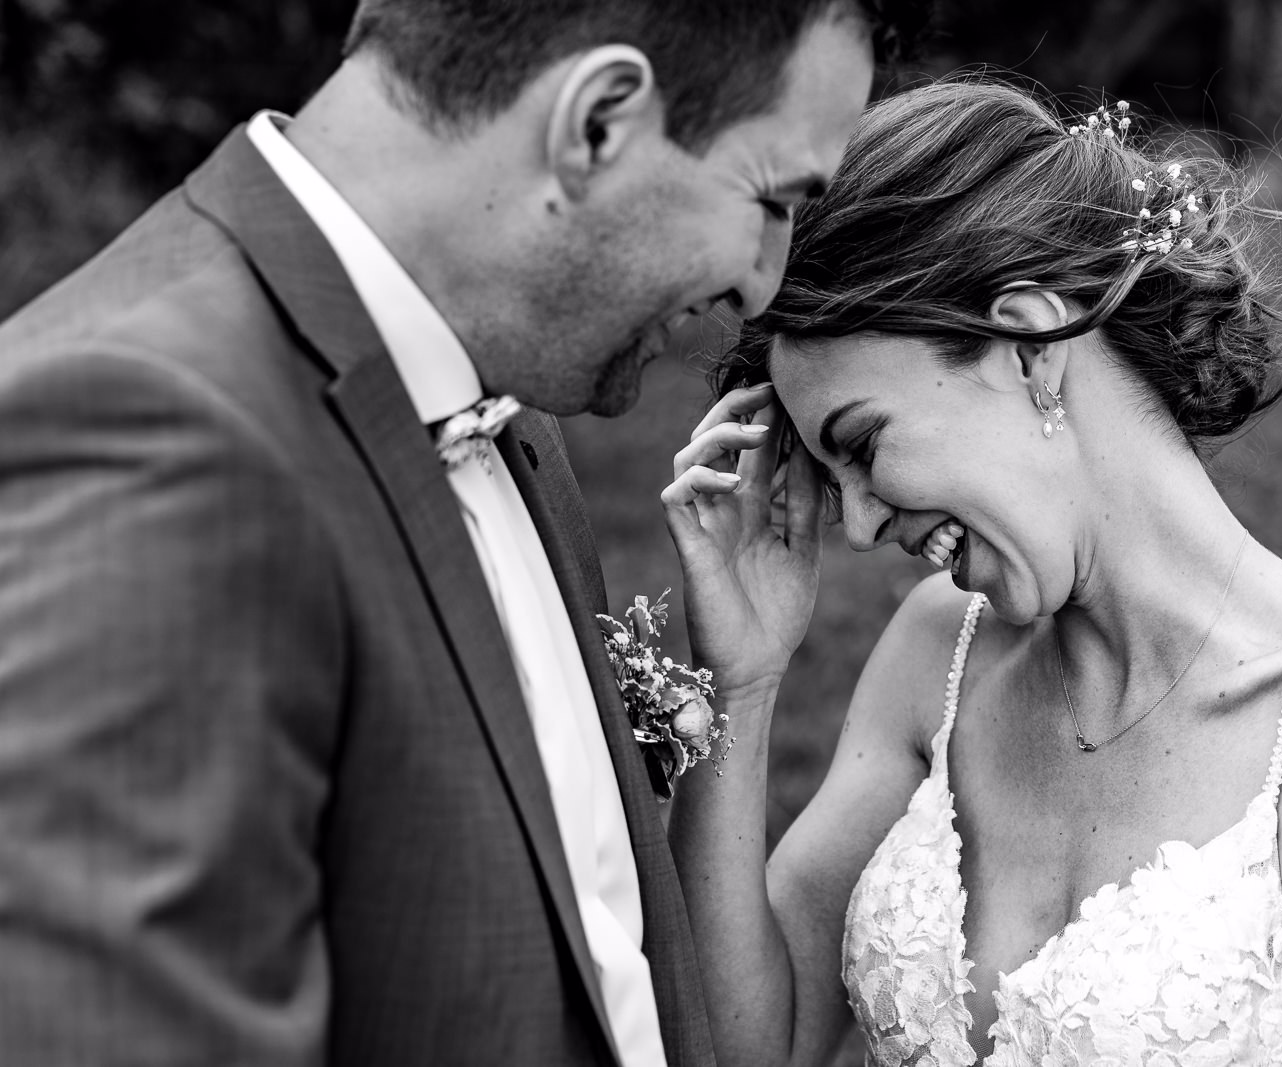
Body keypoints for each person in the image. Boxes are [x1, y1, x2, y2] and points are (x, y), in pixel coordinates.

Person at [0, 1, 930, 1062]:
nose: (762, 283)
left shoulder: (508, 396)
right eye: (770, 200)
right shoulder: (148, 440)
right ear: (596, 122)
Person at [661, 79, 1282, 1066]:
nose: (857, 525)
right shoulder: (936, 652)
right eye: (832, 478)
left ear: (1031, 345)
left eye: (863, 446)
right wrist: (740, 681)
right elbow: (742, 1049)